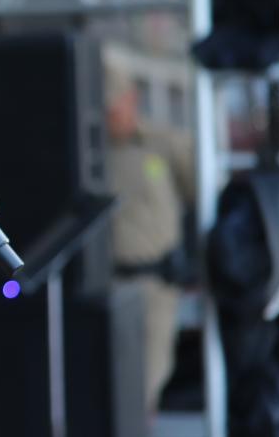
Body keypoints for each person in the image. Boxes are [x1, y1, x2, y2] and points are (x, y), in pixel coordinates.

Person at [104, 53, 194, 417]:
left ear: (131, 99)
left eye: (115, 105)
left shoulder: (163, 144)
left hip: (154, 287)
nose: (111, 114)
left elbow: (203, 196)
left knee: (143, 389)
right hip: (105, 284)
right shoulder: (91, 149)